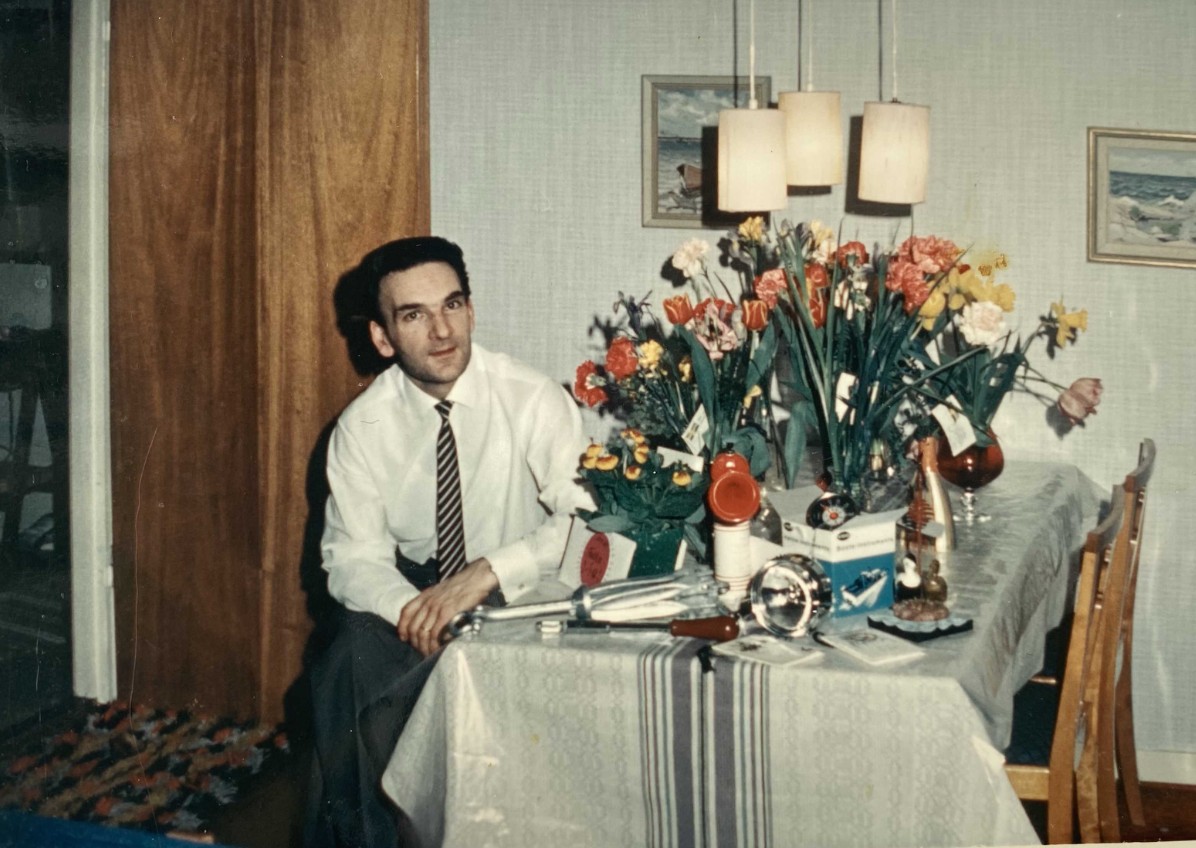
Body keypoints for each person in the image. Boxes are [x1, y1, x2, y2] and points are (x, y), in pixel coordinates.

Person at [305, 236, 593, 848]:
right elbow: (352, 558)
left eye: (452, 305)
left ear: (471, 310)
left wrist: (486, 572)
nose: (442, 331)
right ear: (382, 337)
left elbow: (586, 520)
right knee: (346, 663)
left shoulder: (531, 397)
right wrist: (421, 612)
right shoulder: (361, 428)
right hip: (416, 592)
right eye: (414, 315)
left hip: (518, 587)